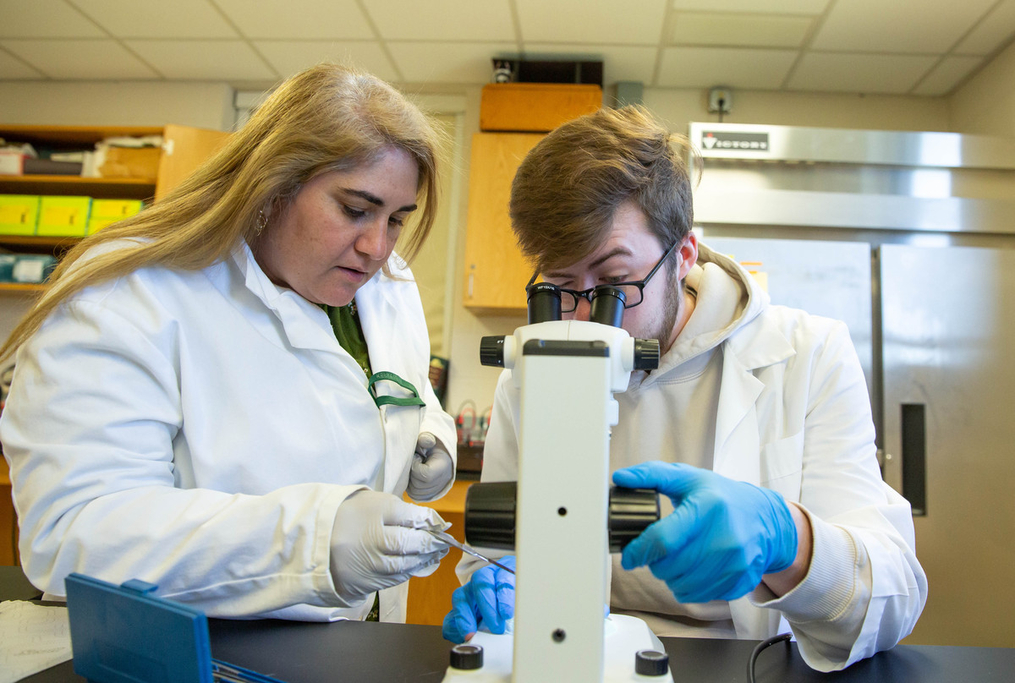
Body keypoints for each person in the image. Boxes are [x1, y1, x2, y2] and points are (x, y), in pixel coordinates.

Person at [443, 106, 927, 671]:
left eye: (615, 284)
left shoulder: (808, 354)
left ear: (684, 255)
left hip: (746, 661)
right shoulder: (533, 368)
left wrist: (789, 541)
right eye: (561, 286)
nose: (590, 321)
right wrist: (497, 585)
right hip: (574, 655)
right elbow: (499, 557)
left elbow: (893, 596)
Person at [0, 63, 459, 623]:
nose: (377, 246)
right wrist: (315, 540)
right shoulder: (126, 294)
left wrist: (428, 431)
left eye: (396, 221)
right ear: (271, 185)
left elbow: (401, 387)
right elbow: (77, 531)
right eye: (355, 210)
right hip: (199, 650)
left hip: (353, 645)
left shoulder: (387, 286)